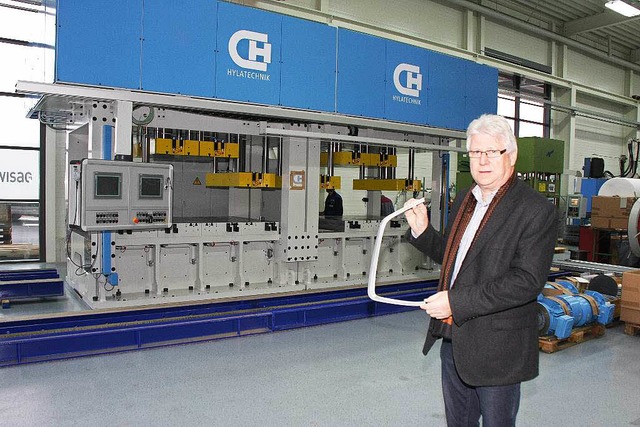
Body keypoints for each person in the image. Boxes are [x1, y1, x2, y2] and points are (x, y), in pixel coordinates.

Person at [404, 114, 557, 426]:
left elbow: (526, 281)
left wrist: (455, 302)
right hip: (455, 338)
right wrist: (424, 233)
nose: (482, 161)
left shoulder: (536, 210)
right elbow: (459, 260)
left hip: (498, 347)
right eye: (475, 153)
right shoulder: (466, 199)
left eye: (491, 152)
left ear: (510, 156)